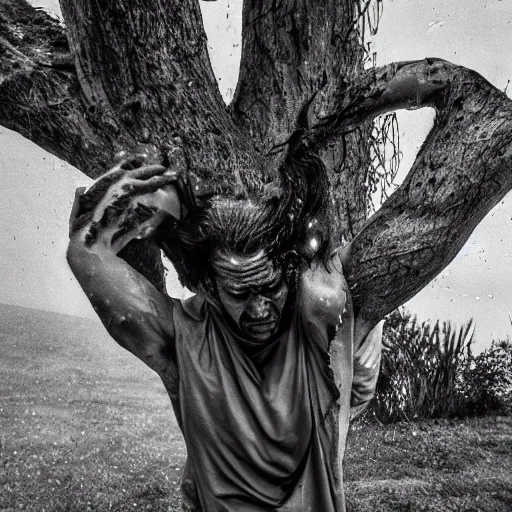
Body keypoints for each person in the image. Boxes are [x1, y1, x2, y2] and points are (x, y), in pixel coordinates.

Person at [67, 143, 382, 512]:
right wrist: (149, 191)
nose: (261, 307)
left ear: (287, 273)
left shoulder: (320, 309)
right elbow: (85, 252)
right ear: (210, 289)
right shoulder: (186, 336)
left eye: (269, 287)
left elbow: (357, 389)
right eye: (240, 293)